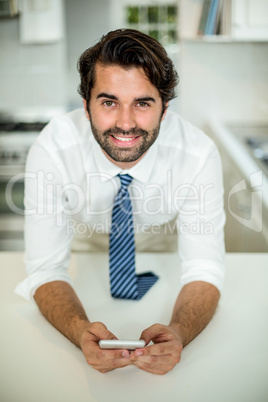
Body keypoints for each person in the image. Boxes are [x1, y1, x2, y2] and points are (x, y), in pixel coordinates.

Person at [15, 29, 225, 375]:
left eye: (142, 103)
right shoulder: (53, 148)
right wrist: (77, 329)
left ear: (165, 108)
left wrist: (180, 332)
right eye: (109, 102)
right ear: (86, 107)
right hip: (84, 251)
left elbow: (204, 268)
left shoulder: (197, 154)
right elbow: (46, 268)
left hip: (163, 249)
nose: (125, 124)